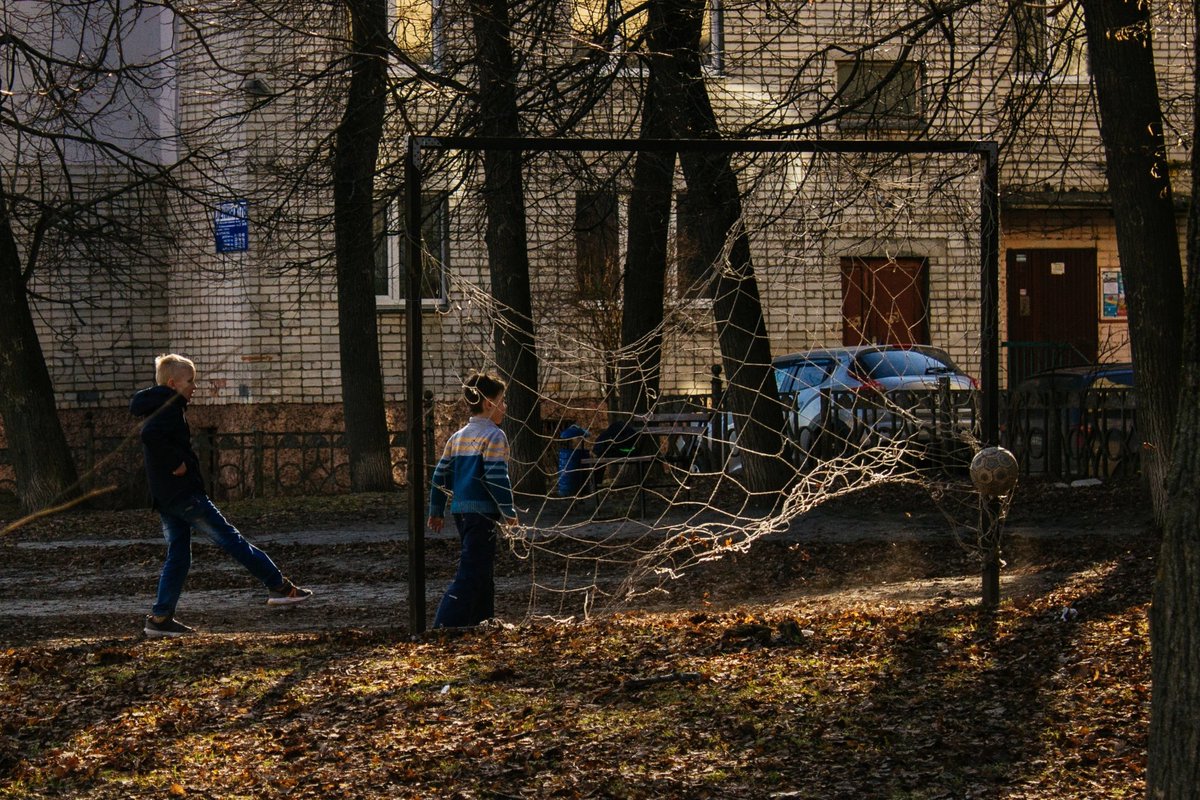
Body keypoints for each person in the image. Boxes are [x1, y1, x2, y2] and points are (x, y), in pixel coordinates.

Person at [131, 354, 312, 637]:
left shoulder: (159, 406)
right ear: (172, 383)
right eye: (190, 381)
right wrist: (176, 463)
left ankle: (160, 618)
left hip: (168, 497)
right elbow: (150, 435)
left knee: (179, 555)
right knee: (231, 539)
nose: (194, 387)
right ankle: (280, 587)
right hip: (184, 495)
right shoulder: (167, 408)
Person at [427, 370, 517, 628]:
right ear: (489, 403)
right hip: (482, 513)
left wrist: (436, 509)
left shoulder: (458, 437)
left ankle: (482, 621)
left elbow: (439, 475)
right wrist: (508, 510)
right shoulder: (494, 436)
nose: (505, 406)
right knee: (471, 571)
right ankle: (445, 624)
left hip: (461, 512)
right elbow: (496, 478)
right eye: (502, 400)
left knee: (483, 570)